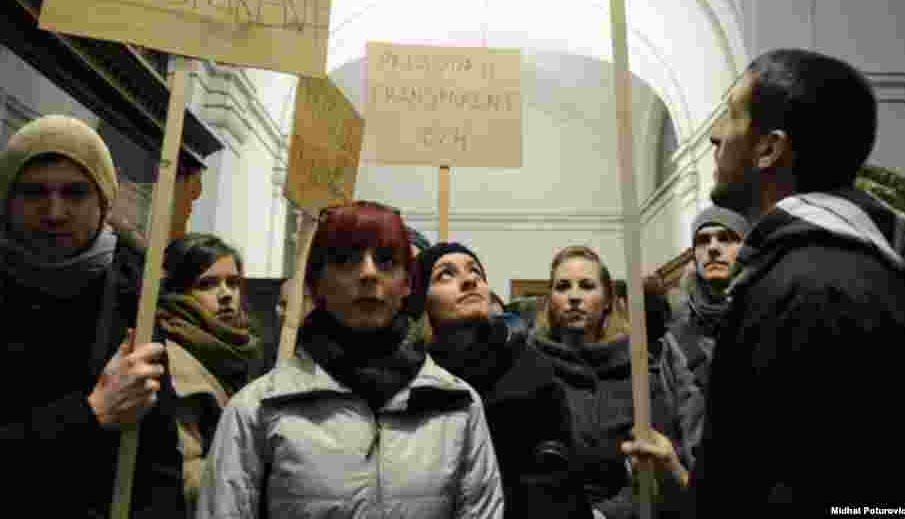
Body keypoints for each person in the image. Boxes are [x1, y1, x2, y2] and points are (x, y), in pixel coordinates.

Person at [624, 49, 905, 510]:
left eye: (731, 117)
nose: (715, 136)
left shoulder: (807, 285)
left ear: (769, 149)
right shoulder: (855, 271)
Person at [0, 114, 183, 516]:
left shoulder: (137, 298)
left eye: (76, 192)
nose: (55, 211)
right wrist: (91, 414)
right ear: (6, 201)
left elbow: (157, 465)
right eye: (34, 193)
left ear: (103, 202)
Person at [195, 201, 503, 518]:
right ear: (316, 284)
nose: (368, 273)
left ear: (407, 285)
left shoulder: (458, 406)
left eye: (385, 261)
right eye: (346, 260)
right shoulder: (259, 409)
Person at [418, 242, 591, 519]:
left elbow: (565, 485)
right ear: (420, 300)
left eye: (475, 271)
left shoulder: (530, 367)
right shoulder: (418, 383)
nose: (469, 280)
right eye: (445, 274)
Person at [530, 245, 681, 519]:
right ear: (550, 299)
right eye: (563, 287)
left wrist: (606, 514)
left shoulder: (638, 373)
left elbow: (659, 469)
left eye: (587, 286)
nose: (574, 296)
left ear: (609, 299)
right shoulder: (530, 369)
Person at [158, 232, 260, 517]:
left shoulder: (236, 353)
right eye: (207, 284)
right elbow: (184, 477)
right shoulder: (174, 362)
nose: (226, 294)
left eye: (233, 282)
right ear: (180, 292)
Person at [660, 206, 749, 469]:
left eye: (726, 238)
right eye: (702, 241)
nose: (713, 247)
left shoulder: (768, 317)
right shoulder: (675, 340)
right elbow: (671, 425)